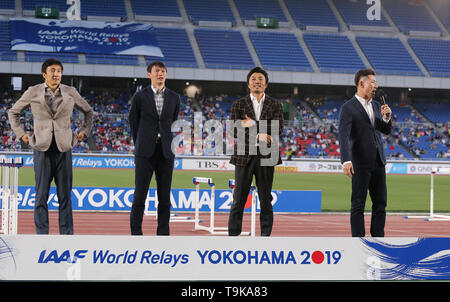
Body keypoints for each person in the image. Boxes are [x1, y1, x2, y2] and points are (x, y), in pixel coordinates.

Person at [8, 58, 93, 234]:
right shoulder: (33, 91)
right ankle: (42, 236)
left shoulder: (70, 92)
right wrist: (22, 134)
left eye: (59, 71)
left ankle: (66, 236)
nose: (56, 74)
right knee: (40, 197)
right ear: (44, 74)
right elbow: (13, 112)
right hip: (41, 149)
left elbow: (88, 111)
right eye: (52, 71)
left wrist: (83, 132)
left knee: (65, 197)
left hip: (64, 149)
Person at [228, 67, 284, 236]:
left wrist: (251, 125)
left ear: (266, 84)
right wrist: (259, 134)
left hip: (267, 156)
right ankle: (233, 237)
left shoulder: (275, 104)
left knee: (266, 200)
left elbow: (278, 128)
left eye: (260, 79)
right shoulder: (238, 104)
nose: (257, 81)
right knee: (238, 200)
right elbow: (234, 129)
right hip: (244, 156)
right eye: (254, 79)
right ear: (248, 83)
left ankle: (265, 238)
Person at [338, 68, 392, 237]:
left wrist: (386, 118)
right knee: (358, 204)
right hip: (359, 163)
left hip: (378, 161)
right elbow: (343, 135)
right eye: (373, 82)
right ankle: (358, 243)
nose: (376, 86)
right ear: (361, 83)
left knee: (380, 204)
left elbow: (385, 130)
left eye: (376, 83)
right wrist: (346, 160)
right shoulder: (348, 108)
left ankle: (378, 241)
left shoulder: (377, 105)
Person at [129, 60, 180, 235]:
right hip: (145, 152)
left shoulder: (174, 97)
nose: (161, 74)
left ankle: (163, 234)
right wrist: (141, 143)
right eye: (157, 71)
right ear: (149, 74)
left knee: (164, 197)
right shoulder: (140, 96)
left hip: (166, 152)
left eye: (163, 71)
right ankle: (136, 234)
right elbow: (134, 122)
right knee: (139, 195)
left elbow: (172, 121)